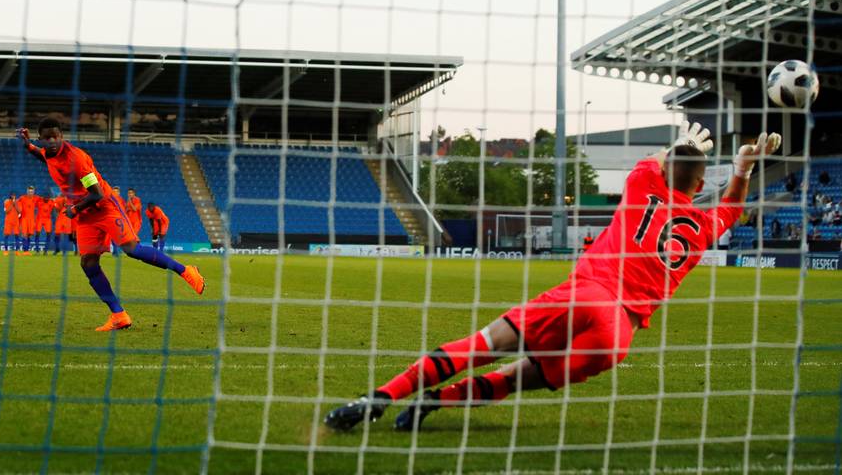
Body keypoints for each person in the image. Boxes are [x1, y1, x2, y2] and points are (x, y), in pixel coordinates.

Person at [323, 123, 782, 432]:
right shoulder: (703, 228)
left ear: (663, 172)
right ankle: (434, 404)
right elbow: (732, 207)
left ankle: (378, 398)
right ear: (699, 187)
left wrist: (681, 145)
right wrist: (743, 167)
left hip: (589, 292)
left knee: (481, 347)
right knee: (517, 377)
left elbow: (660, 162)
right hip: (618, 334)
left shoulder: (645, 183)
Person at [16, 118, 206, 331]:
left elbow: (96, 193)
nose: (52, 141)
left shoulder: (76, 159)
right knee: (88, 263)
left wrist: (74, 209)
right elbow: (44, 158)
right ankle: (119, 315)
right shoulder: (49, 153)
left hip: (104, 206)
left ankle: (186, 271)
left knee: (131, 250)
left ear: (62, 137)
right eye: (47, 138)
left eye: (56, 137)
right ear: (41, 139)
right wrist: (27, 145)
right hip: (86, 216)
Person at [17, 186, 38, 255]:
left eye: (31, 192)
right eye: (29, 192)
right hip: (24, 219)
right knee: (24, 234)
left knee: (29, 235)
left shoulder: (36, 198)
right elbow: (16, 203)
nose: (30, 193)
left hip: (32, 219)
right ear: (27, 192)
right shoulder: (22, 198)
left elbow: (44, 200)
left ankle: (27, 250)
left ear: (34, 192)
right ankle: (25, 250)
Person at [110, 187, 126, 256]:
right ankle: (115, 250)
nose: (115, 193)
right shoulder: (110, 199)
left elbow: (123, 210)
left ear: (119, 193)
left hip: (118, 219)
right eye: (114, 191)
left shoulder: (121, 200)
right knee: (112, 236)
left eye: (116, 192)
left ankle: (116, 251)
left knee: (117, 235)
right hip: (110, 219)